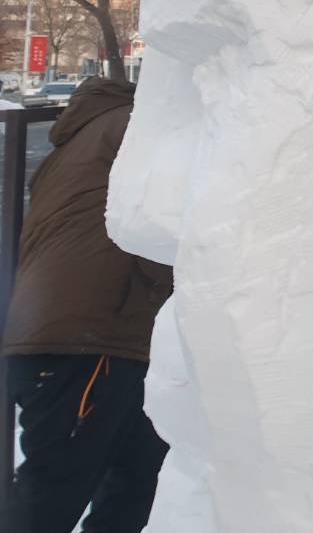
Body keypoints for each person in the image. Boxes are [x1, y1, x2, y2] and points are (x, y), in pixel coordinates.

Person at [1, 76, 173, 533]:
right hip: (91, 339)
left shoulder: (77, 142)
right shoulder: (137, 127)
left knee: (134, 481)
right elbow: (170, 219)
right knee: (55, 492)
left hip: (74, 335)